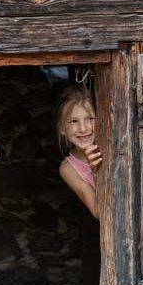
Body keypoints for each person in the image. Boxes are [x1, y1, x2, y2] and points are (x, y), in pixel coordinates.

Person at [56, 86, 103, 219]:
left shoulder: (116, 146)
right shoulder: (68, 169)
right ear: (61, 128)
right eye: (74, 121)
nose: (83, 128)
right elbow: (99, 212)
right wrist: (97, 172)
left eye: (90, 119)